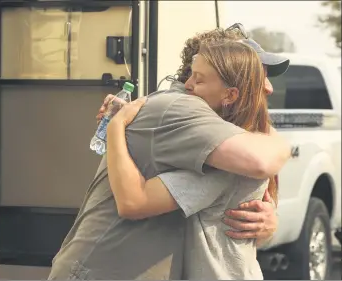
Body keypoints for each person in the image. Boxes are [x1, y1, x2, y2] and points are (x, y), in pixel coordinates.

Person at [48, 26, 290, 280]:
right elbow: (260, 161)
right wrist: (116, 126)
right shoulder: (181, 109)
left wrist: (267, 225)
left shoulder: (216, 132)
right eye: (258, 74)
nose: (269, 88)